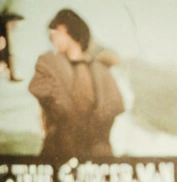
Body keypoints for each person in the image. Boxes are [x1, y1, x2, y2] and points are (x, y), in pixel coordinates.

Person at [27, 9, 124, 158]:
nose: (51, 38)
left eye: (54, 32)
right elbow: (38, 89)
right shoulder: (49, 64)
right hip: (58, 154)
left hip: (97, 158)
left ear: (63, 29)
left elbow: (114, 106)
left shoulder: (100, 71)